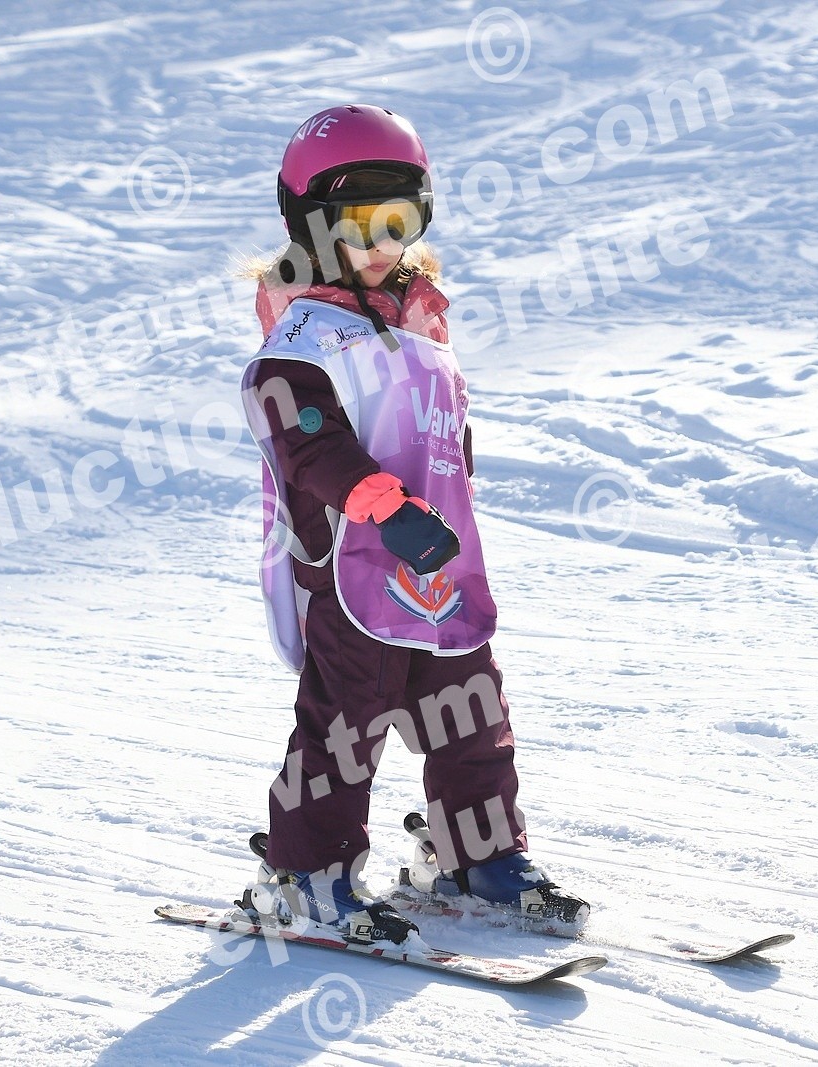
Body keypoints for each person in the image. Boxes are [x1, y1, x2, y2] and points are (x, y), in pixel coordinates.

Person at [237, 104, 586, 945]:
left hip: (435, 563)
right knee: (346, 721)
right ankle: (306, 874)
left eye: (400, 219)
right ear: (310, 225)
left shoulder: (421, 323)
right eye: (359, 223)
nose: (383, 242)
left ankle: (479, 857)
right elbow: (308, 442)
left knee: (472, 711)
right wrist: (384, 506)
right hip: (354, 561)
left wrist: (450, 495)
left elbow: (444, 433)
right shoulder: (304, 338)